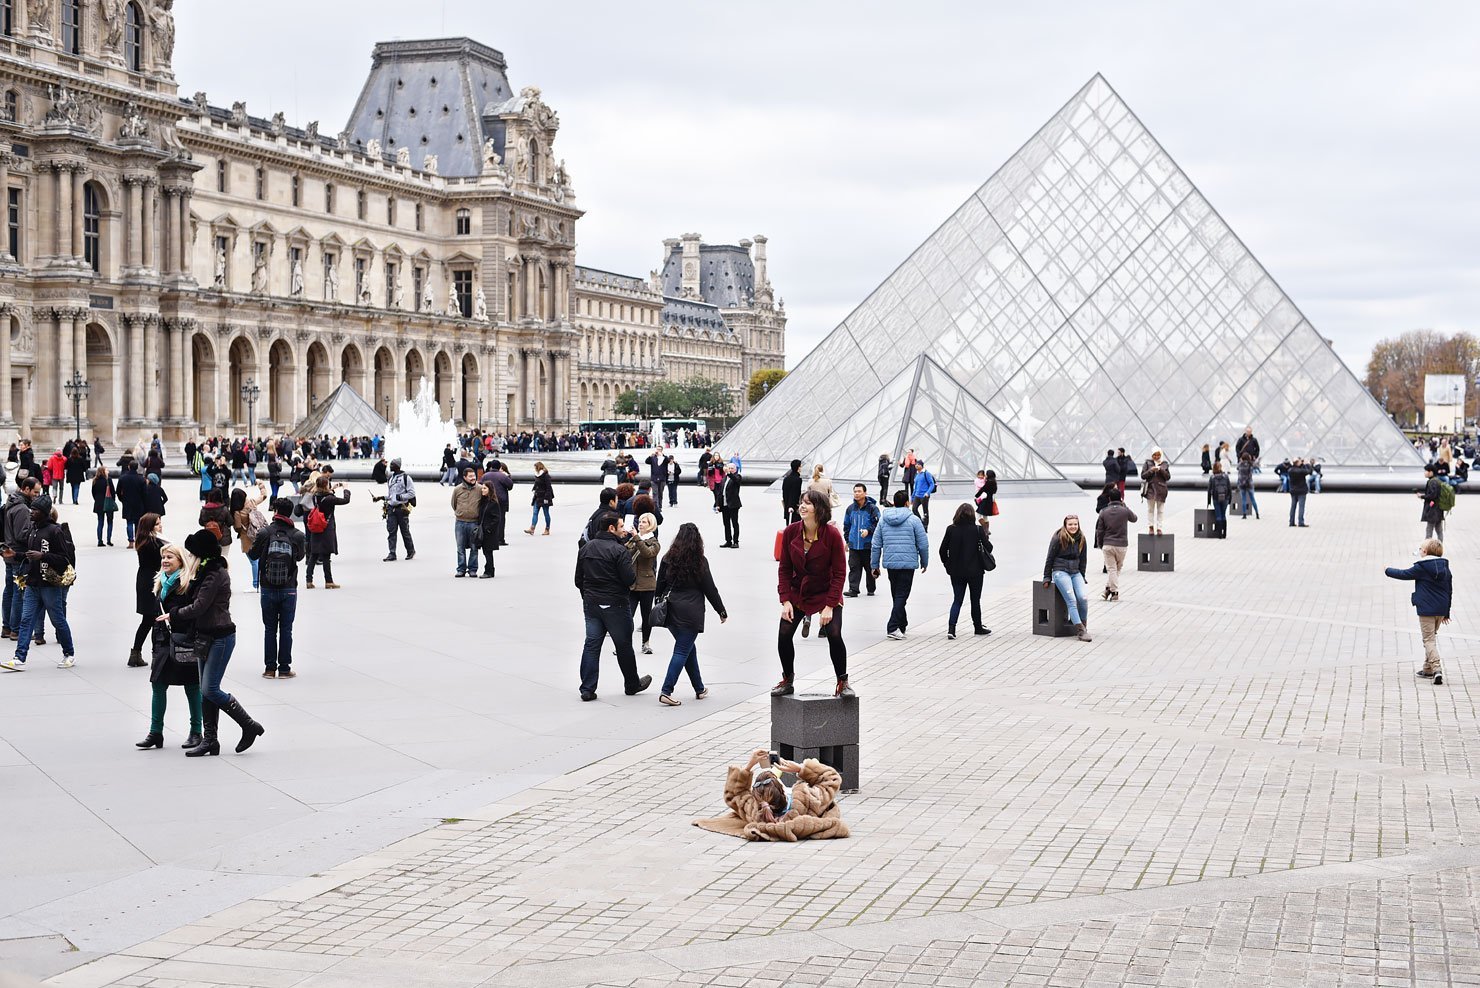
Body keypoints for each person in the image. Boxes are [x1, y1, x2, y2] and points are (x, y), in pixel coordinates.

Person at [165, 529, 264, 756]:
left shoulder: (214, 574)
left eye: (192, 554)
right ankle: (210, 740)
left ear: (201, 554)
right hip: (205, 635)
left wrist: (175, 614)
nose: (189, 557)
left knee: (210, 688)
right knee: (205, 690)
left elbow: (200, 606)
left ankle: (249, 725)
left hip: (220, 636)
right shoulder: (203, 572)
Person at [774, 490, 852, 698]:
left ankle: (842, 682)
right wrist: (785, 600)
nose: (802, 506)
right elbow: (784, 569)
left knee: (834, 633)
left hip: (827, 591)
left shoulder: (832, 534)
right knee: (784, 633)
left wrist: (829, 606)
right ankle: (787, 679)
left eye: (808, 503)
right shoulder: (791, 532)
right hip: (799, 593)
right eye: (802, 502)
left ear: (819, 509)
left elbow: (839, 573)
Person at [574, 512, 651, 701]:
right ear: (611, 528)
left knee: (592, 645)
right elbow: (629, 579)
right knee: (624, 645)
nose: (624, 529)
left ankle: (587, 688)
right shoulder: (619, 551)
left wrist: (589, 596)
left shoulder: (586, 548)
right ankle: (632, 684)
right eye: (621, 526)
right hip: (615, 604)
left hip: (592, 604)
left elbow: (578, 580)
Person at [697, 748, 848, 842]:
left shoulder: (756, 812)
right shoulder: (810, 799)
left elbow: (735, 794)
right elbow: (831, 779)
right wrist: (801, 769)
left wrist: (749, 765)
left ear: (757, 799)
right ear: (782, 790)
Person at [136, 543, 204, 750]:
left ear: (180, 561)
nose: (165, 561)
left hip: (183, 640)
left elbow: (192, 613)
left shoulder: (187, 584)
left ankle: (196, 732)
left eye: (170, 557)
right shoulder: (161, 583)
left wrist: (175, 617)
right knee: (157, 685)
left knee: (192, 687)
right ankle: (155, 732)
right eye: (163, 557)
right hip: (162, 641)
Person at [654, 521, 725, 706]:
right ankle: (666, 690)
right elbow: (710, 588)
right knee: (682, 650)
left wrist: (657, 601)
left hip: (670, 611)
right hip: (691, 612)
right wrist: (721, 610)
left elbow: (659, 585)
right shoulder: (700, 561)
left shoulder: (668, 558)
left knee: (687, 649)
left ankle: (699, 688)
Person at [1, 502, 77, 671]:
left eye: (34, 510)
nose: (31, 512)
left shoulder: (54, 531)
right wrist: (16, 554)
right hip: (32, 584)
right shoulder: (33, 530)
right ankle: (19, 658)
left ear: (43, 512)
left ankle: (69, 653)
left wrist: (43, 555)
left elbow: (64, 559)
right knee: (26, 620)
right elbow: (30, 556)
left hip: (49, 585)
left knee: (57, 620)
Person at [246, 498, 306, 679]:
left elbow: (253, 554)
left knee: (270, 629)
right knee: (286, 629)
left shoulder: (265, 532)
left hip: (267, 587)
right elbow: (300, 557)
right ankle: (285, 669)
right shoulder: (297, 534)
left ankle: (270, 669)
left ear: (276, 511)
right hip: (289, 588)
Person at [1385, 538, 1451, 686]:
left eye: (1421, 548)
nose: (1419, 550)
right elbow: (1449, 590)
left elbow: (1404, 574)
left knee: (1428, 640)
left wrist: (1387, 570)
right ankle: (1427, 669)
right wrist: (1447, 612)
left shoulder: (1422, 567)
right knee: (1431, 637)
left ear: (1425, 552)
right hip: (1441, 609)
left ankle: (1436, 668)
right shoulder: (1445, 567)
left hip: (1427, 609)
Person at [870, 490, 928, 640]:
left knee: (897, 594)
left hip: (891, 564)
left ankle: (902, 623)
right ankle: (893, 626)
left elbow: (876, 544)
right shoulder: (914, 520)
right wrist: (924, 561)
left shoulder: (883, 520)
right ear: (907, 503)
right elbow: (923, 544)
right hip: (908, 564)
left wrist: (874, 565)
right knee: (902, 595)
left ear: (894, 503)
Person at [938, 502, 992, 639]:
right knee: (975, 600)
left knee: (957, 600)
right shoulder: (978, 530)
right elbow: (989, 548)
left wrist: (947, 565)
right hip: (976, 571)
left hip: (956, 571)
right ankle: (978, 627)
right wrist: (985, 536)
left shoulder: (951, 529)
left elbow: (942, 550)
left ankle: (952, 628)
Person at [1043, 514, 1092, 642]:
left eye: (1075, 524)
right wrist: (1047, 577)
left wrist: (1082, 575)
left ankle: (1083, 625)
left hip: (1075, 572)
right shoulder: (1058, 537)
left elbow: (1083, 559)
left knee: (1083, 598)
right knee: (1071, 600)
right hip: (1060, 571)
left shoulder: (1081, 538)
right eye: (1070, 524)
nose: (1073, 526)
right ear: (1065, 525)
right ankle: (1080, 631)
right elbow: (1050, 558)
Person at [296, 475, 351, 588]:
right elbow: (346, 500)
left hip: (316, 526)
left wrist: (333, 489)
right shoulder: (329, 499)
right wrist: (346, 489)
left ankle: (309, 580)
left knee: (314, 554)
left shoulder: (315, 496)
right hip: (326, 527)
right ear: (326, 485)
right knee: (326, 555)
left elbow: (324, 496)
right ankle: (328, 581)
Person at [127, 512, 165, 668]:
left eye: (160, 522)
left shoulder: (145, 541)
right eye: (157, 523)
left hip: (146, 579)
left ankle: (136, 653)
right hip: (151, 582)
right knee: (154, 619)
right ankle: (156, 655)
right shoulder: (153, 543)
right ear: (149, 527)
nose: (160, 525)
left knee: (149, 619)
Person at [1094, 487, 1137, 602]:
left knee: (1112, 569)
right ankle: (1114, 592)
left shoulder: (1103, 512)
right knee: (1116, 569)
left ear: (1109, 498)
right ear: (1121, 498)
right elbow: (1135, 519)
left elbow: (1100, 530)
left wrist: (1100, 544)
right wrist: (1125, 506)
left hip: (1108, 544)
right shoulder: (1124, 511)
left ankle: (1109, 590)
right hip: (1122, 545)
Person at [627, 511, 661, 656]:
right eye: (640, 521)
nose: (640, 524)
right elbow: (624, 554)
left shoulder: (654, 542)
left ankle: (645, 643)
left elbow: (648, 553)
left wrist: (636, 538)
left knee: (646, 617)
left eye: (644, 522)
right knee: (627, 616)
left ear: (651, 525)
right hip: (632, 584)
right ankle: (624, 644)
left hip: (647, 584)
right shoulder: (634, 539)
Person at [842, 484, 880, 598]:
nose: (857, 493)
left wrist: (868, 531)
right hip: (854, 545)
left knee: (869, 568)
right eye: (855, 491)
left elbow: (878, 524)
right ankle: (853, 589)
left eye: (859, 491)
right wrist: (848, 541)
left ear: (865, 493)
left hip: (868, 545)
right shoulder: (850, 509)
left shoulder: (872, 508)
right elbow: (846, 526)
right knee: (854, 568)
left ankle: (871, 588)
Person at [229, 482, 269, 591]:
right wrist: (261, 485)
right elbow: (263, 496)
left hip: (247, 537)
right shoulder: (251, 503)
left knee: (253, 561)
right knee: (260, 559)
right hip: (258, 533)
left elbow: (237, 527)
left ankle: (256, 585)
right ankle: (262, 582)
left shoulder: (237, 512)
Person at [378, 458, 416, 561]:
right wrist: (381, 497)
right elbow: (391, 495)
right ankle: (392, 553)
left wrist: (401, 497)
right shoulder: (390, 478)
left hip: (401, 509)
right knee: (391, 532)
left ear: (397, 466)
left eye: (392, 464)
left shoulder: (406, 478)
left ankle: (410, 551)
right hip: (391, 508)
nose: (390, 466)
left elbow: (412, 493)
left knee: (405, 531)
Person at [451, 466, 483, 578]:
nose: (473, 478)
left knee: (474, 548)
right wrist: (460, 513)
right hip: (460, 522)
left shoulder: (479, 489)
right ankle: (461, 569)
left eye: (474, 476)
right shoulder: (457, 489)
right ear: (464, 477)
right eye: (470, 476)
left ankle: (473, 569)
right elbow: (453, 504)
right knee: (460, 548)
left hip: (474, 523)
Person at [1140, 448, 1170, 535]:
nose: (1156, 457)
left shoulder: (1165, 464)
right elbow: (1143, 475)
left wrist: (1161, 470)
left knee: (1160, 510)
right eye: (1154, 455)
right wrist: (1151, 470)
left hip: (1161, 490)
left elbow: (1168, 477)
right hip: (1150, 489)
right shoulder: (1147, 463)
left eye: (1158, 455)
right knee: (1150, 509)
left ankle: (1159, 528)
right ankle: (1151, 527)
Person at [116, 461, 146, 547]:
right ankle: (137, 540)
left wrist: (122, 499)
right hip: (138, 503)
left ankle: (130, 541)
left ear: (129, 467)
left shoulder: (123, 478)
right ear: (137, 467)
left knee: (129, 522)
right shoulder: (141, 479)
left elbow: (118, 491)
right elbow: (144, 493)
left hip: (127, 502)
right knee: (137, 523)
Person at [91, 465, 117, 547]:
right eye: (106, 470)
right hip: (108, 502)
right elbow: (113, 492)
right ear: (103, 471)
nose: (108, 471)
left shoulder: (95, 480)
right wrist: (113, 500)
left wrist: (97, 499)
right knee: (110, 522)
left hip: (99, 503)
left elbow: (93, 492)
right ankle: (109, 539)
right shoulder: (108, 480)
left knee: (100, 522)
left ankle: (99, 540)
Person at [525, 461, 553, 535]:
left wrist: (546, 498)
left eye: (535, 467)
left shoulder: (546, 475)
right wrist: (534, 489)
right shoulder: (537, 475)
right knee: (535, 512)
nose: (534, 469)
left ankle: (547, 529)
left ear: (538, 467)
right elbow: (537, 484)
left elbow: (548, 487)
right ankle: (532, 528)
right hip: (537, 496)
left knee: (546, 513)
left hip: (544, 497)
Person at [1419, 463, 1446, 542]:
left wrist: (1422, 496)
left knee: (1429, 530)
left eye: (1426, 471)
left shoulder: (1432, 482)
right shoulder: (1437, 480)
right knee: (1439, 530)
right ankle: (1440, 547)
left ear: (1431, 472)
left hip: (1433, 510)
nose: (1425, 473)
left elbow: (1432, 496)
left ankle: (1427, 548)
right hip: (1438, 509)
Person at [719, 462, 743, 549]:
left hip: (733, 504)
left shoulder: (737, 477)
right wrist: (718, 504)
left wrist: (729, 473)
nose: (729, 469)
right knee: (726, 524)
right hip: (724, 505)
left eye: (731, 468)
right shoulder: (724, 479)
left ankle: (736, 541)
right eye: (728, 468)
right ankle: (728, 541)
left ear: (735, 469)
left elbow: (736, 481)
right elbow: (720, 492)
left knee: (734, 523)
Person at [1206, 460, 1232, 539]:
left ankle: (1219, 534)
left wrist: (1209, 501)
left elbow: (1209, 490)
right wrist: (1230, 499)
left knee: (1218, 516)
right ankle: (1225, 533)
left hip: (1216, 498)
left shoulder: (1212, 477)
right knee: (1223, 515)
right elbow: (1229, 488)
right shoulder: (1226, 476)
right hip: (1225, 498)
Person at [910, 459, 937, 530]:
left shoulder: (926, 473)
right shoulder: (917, 474)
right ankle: (921, 523)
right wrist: (912, 497)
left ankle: (925, 526)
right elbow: (915, 487)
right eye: (916, 464)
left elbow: (932, 484)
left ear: (921, 465)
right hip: (917, 495)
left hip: (924, 496)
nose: (916, 465)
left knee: (925, 511)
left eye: (918, 464)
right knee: (914, 509)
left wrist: (927, 493)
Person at [1286, 457, 1311, 527]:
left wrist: (1301, 464)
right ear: (1297, 463)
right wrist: (1307, 464)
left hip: (1293, 491)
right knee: (1301, 507)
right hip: (1301, 491)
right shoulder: (1301, 471)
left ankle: (1291, 522)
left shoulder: (1290, 470)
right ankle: (1301, 522)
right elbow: (1309, 471)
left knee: (1293, 507)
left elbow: (1295, 467)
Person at [780, 459, 804, 526]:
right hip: (794, 508)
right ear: (798, 468)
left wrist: (788, 505)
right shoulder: (798, 480)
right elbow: (795, 494)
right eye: (801, 466)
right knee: (796, 527)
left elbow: (784, 493)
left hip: (787, 506)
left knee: (789, 526)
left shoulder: (786, 479)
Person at [1237, 453, 1259, 519]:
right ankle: (1257, 514)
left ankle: (1244, 515)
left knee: (1244, 499)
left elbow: (1237, 469)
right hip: (1249, 483)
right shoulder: (1250, 464)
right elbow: (1251, 472)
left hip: (1242, 484)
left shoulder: (1240, 464)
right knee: (1252, 499)